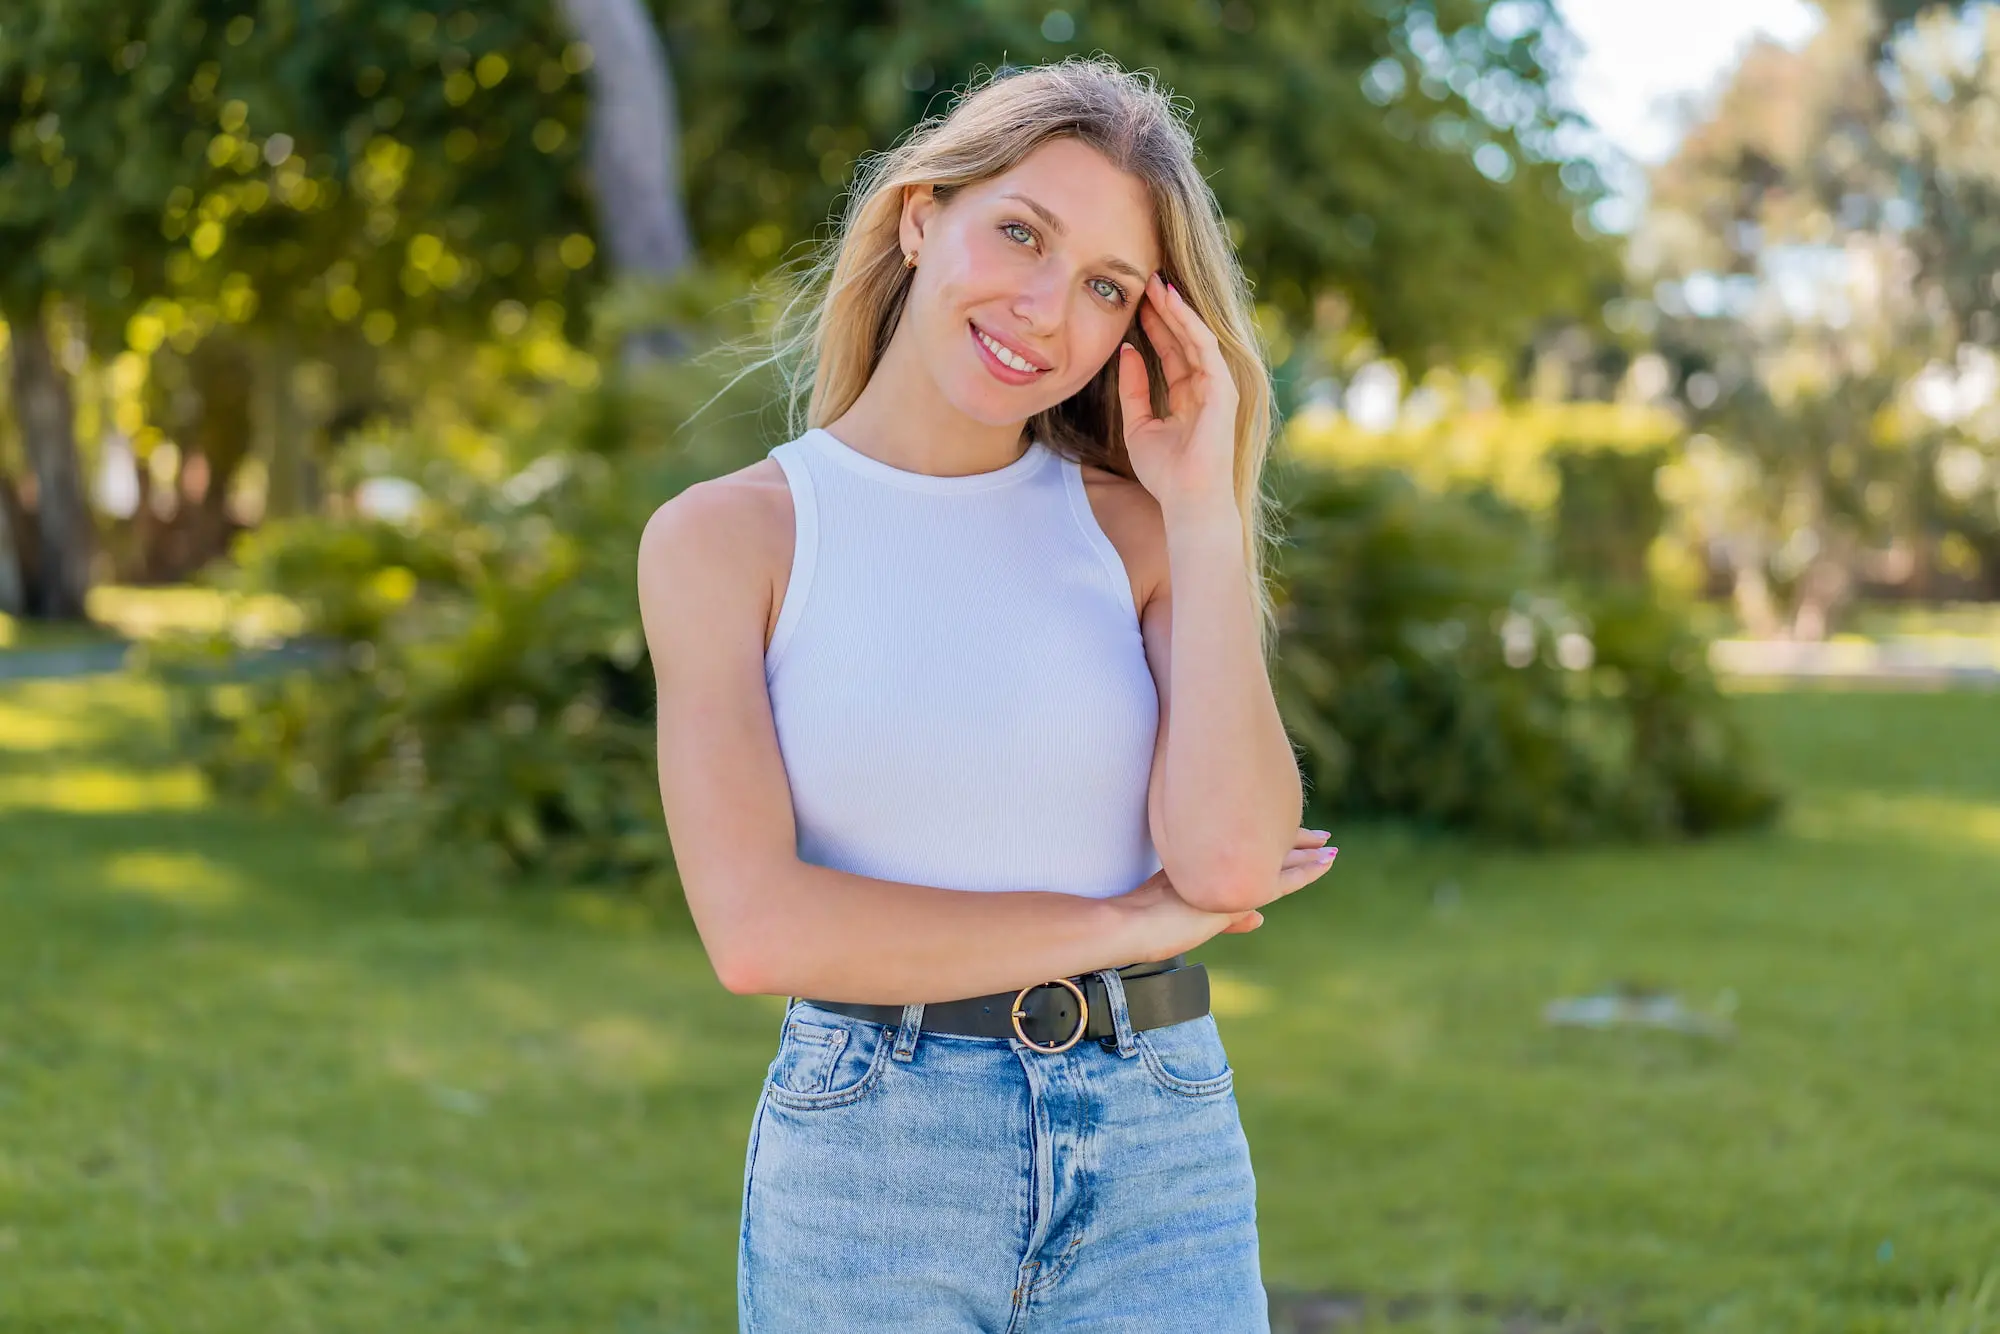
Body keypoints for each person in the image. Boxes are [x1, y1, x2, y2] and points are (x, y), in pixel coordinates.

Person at [636, 56, 1338, 1333]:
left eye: (1104, 287)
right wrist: (1122, 927)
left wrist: (1201, 510)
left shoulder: (1140, 535)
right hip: (872, 1161)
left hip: (1159, 1144)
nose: (1042, 309)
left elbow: (1230, 860)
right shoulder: (726, 541)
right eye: (1019, 231)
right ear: (919, 217)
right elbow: (757, 930)